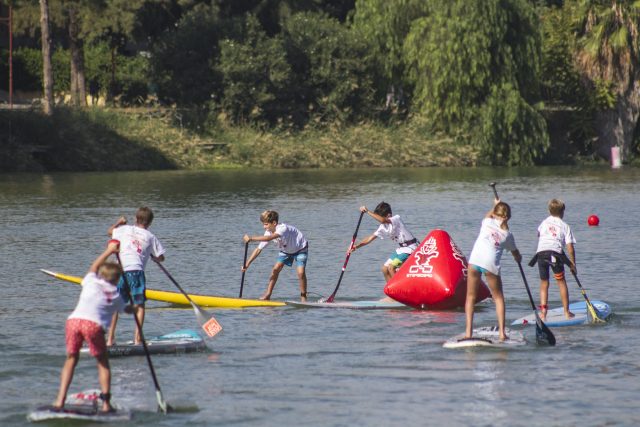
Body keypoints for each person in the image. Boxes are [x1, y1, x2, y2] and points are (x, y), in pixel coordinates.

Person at [53, 240, 132, 413]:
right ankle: (106, 405)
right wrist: (136, 307)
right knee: (103, 363)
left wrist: (109, 250)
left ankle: (59, 401)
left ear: (101, 275)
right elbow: (127, 310)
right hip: (93, 326)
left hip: (73, 322)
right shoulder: (116, 295)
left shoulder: (90, 281)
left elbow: (94, 266)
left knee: (71, 359)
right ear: (117, 279)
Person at [464, 199, 522, 341]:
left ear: (495, 214)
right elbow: (515, 253)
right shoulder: (508, 235)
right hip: (490, 266)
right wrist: (518, 258)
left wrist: (495, 204)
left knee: (470, 297)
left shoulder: (486, 223)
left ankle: (468, 333)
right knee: (498, 298)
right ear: (507, 217)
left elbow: (489, 215)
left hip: (474, 262)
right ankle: (502, 333)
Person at [106, 207, 165, 346]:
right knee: (140, 306)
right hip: (136, 273)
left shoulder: (124, 229)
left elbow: (110, 232)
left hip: (120, 272)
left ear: (135, 219)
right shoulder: (150, 237)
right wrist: (155, 258)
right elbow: (161, 257)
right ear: (150, 223)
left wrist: (119, 222)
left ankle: (110, 340)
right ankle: (137, 339)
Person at [242, 210, 308, 301]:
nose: (264, 227)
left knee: (300, 273)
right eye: (263, 224)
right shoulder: (268, 232)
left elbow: (269, 238)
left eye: (266, 224)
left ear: (274, 223)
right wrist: (247, 263)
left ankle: (303, 296)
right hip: (285, 250)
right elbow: (258, 249)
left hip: (300, 248)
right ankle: (268, 294)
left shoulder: (282, 228)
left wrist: (251, 238)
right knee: (275, 270)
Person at [529, 198, 576, 320]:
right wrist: (573, 264)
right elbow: (570, 247)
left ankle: (543, 314)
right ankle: (566, 312)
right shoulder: (565, 226)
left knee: (544, 283)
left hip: (541, 254)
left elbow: (538, 234)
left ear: (549, 211)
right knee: (561, 282)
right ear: (562, 212)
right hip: (555, 254)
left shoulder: (544, 222)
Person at [350, 202, 418, 282]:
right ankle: (390, 291)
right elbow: (370, 238)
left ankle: (398, 290)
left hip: (411, 248)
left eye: (380, 217)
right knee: (384, 269)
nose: (379, 220)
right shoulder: (383, 227)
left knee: (391, 267)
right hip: (401, 249)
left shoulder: (396, 219)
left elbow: (382, 220)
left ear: (388, 215)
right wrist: (356, 246)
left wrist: (367, 211)